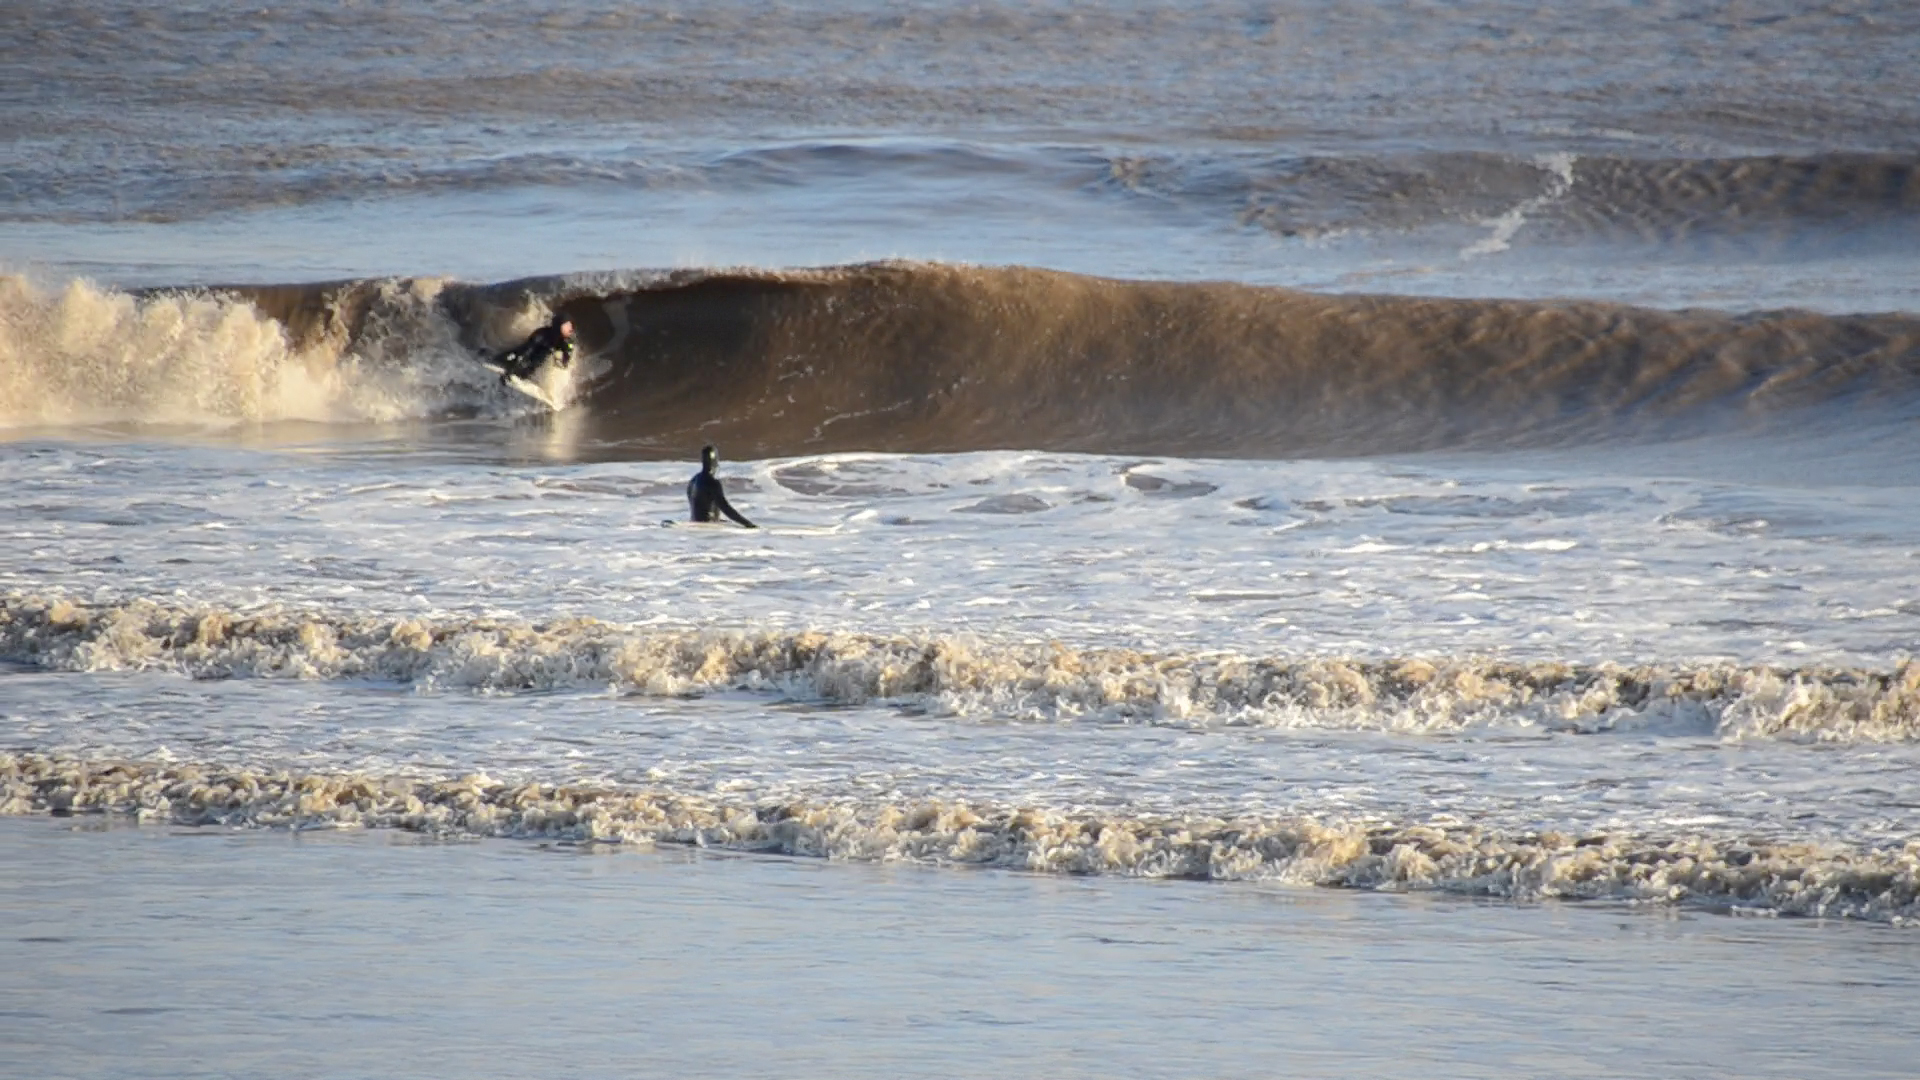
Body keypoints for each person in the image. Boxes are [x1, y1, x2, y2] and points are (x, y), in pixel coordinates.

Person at [492, 312, 575, 383]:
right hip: (520, 358)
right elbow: (525, 353)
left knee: (531, 367)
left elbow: (566, 360)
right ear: (559, 325)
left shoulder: (567, 342)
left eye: (571, 325)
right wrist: (509, 372)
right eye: (568, 325)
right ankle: (494, 358)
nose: (571, 329)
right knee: (507, 358)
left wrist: (564, 358)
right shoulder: (542, 335)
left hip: (531, 367)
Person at [687, 445, 756, 527]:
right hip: (708, 527)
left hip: (695, 525)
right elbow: (726, 508)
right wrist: (748, 524)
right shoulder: (712, 483)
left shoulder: (694, 480)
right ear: (716, 461)